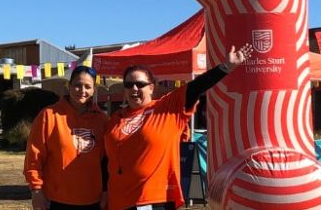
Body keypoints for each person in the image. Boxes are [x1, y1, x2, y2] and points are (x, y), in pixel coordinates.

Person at [104, 44, 252, 210]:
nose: (134, 88)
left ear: (151, 87)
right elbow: (106, 159)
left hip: (152, 200)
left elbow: (196, 87)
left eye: (140, 84)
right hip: (117, 200)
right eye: (129, 84)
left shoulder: (166, 108)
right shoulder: (115, 119)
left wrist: (225, 67)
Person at [24, 65, 108, 210]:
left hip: (92, 200)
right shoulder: (49, 116)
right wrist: (36, 190)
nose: (82, 91)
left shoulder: (101, 120)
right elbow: (34, 156)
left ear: (94, 90)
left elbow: (106, 161)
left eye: (88, 87)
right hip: (56, 199)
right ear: (69, 86)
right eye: (77, 85)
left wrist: (106, 192)